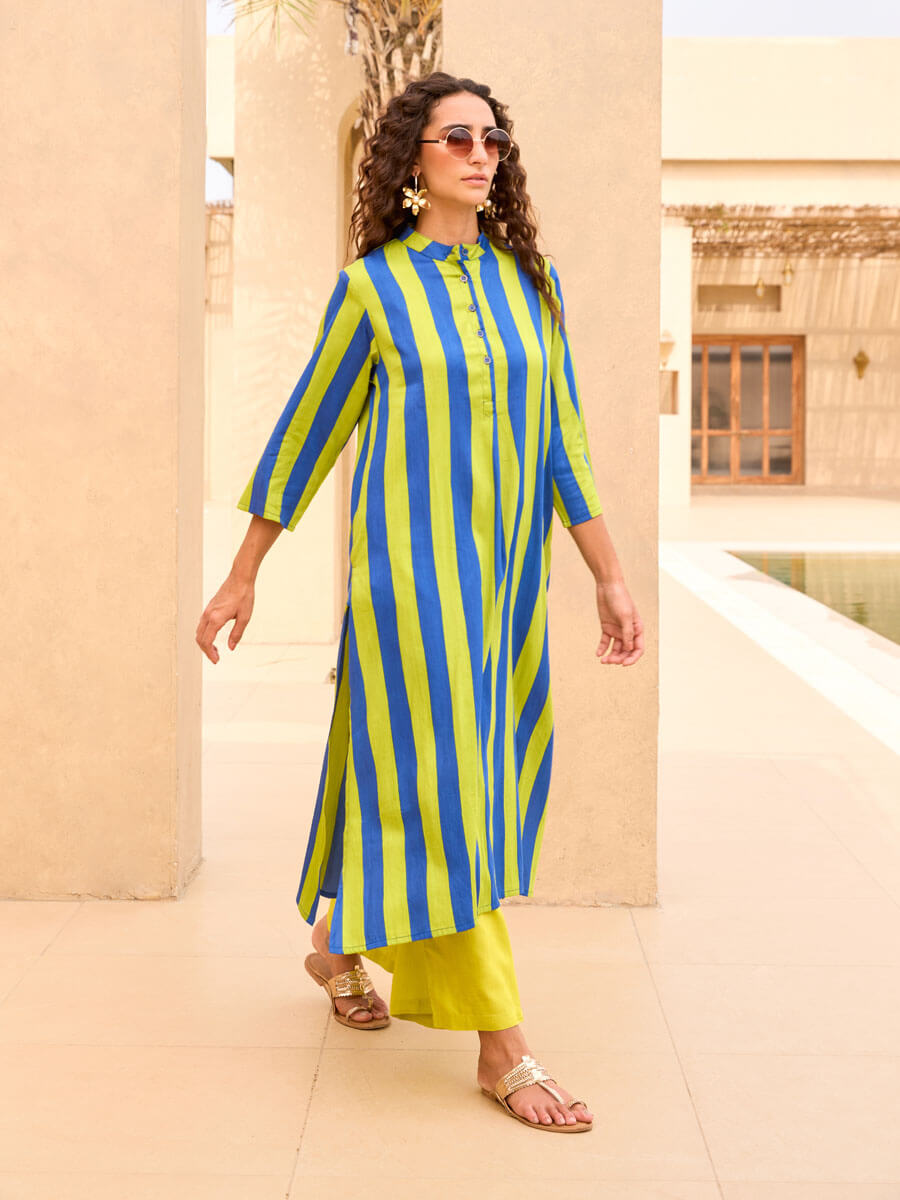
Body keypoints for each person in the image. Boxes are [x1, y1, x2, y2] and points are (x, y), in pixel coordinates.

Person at [196, 70, 644, 1133]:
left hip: (504, 591)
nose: (481, 155)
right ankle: (503, 1047)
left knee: (449, 775)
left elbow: (564, 441)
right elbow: (308, 431)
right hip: (408, 585)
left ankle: (336, 945)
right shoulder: (374, 289)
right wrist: (243, 570)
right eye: (457, 139)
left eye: (492, 140)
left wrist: (608, 573)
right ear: (413, 162)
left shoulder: (535, 285)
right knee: (447, 789)